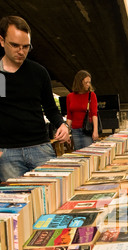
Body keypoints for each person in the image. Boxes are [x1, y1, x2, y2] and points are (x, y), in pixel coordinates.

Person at [0, 16, 70, 182]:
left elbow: (51, 109)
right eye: (15, 45)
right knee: (19, 206)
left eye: (26, 46)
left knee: (54, 199)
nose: (21, 51)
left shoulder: (39, 72)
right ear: (2, 41)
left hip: (41, 148)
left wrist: (62, 124)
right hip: (8, 154)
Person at [66, 70, 99, 151]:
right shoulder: (70, 96)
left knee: (89, 154)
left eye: (89, 82)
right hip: (75, 131)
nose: (88, 84)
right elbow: (69, 116)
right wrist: (66, 133)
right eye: (86, 82)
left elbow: (94, 114)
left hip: (87, 130)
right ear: (79, 82)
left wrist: (95, 131)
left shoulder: (91, 95)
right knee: (79, 155)